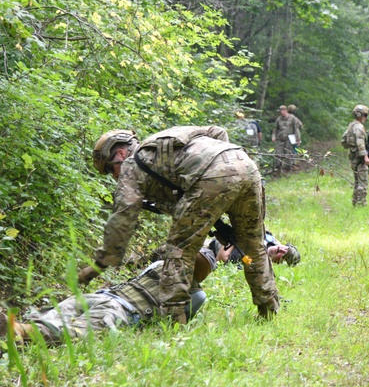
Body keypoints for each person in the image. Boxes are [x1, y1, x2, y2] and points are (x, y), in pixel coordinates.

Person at [84, 127, 280, 324]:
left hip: (212, 175)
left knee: (179, 250)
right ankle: (269, 309)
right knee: (253, 246)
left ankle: (174, 321)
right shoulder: (162, 145)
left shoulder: (132, 165)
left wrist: (96, 267)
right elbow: (218, 131)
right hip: (245, 164)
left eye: (110, 169)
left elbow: (121, 222)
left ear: (119, 153)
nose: (114, 176)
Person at [2, 246, 220, 349]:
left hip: (100, 296)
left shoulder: (159, 265)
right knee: (76, 332)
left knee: (57, 315)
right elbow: (176, 322)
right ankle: (20, 332)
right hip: (120, 310)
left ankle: (18, 328)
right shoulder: (197, 294)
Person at [206, 230, 300, 268]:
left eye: (283, 255)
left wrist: (235, 236)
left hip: (210, 247)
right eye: (286, 248)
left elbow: (221, 258)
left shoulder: (255, 259)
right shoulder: (270, 240)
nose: (282, 250)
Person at [341, 104, 369, 207]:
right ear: (362, 115)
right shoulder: (359, 127)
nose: (366, 118)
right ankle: (360, 203)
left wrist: (351, 148)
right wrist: (365, 156)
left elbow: (343, 140)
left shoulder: (351, 126)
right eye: (366, 115)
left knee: (357, 181)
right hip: (359, 158)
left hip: (353, 156)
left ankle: (355, 201)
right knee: (362, 181)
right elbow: (360, 143)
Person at [271, 105, 303, 173]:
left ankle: (289, 168)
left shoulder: (292, 118)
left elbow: (296, 129)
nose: (280, 112)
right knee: (278, 153)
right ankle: (278, 168)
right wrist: (273, 136)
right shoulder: (279, 119)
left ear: (285, 111)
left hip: (289, 139)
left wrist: (298, 139)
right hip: (280, 138)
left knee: (289, 153)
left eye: (281, 111)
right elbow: (275, 128)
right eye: (279, 111)